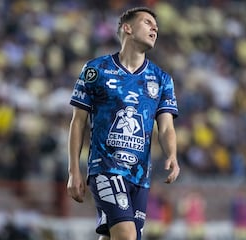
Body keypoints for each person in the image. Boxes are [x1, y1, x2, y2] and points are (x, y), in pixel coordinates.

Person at [66, 6, 180, 240]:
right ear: (127, 28)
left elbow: (166, 126)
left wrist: (172, 154)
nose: (155, 28)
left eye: (156, 25)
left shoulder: (162, 79)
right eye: (147, 22)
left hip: (140, 176)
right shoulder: (95, 70)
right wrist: (73, 170)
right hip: (106, 168)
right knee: (126, 236)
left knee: (115, 236)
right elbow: (78, 122)